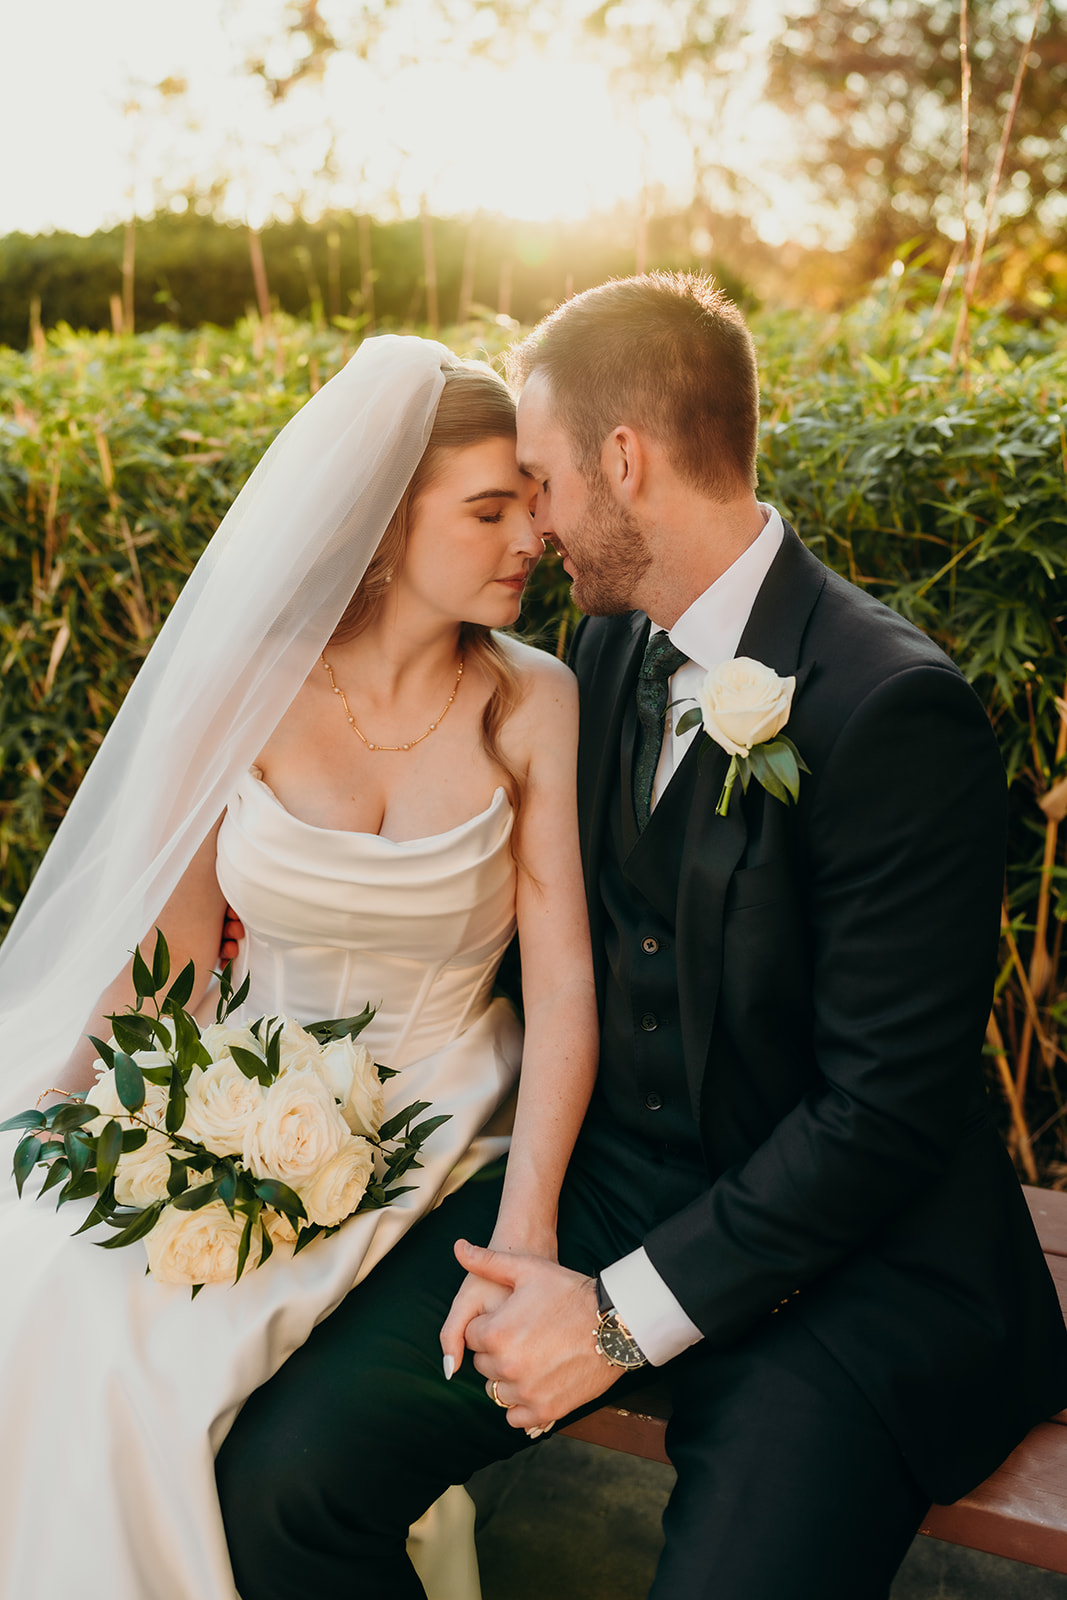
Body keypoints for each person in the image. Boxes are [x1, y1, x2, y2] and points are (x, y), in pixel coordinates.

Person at [217, 274, 1067, 1600]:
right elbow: (550, 936)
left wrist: (611, 1323)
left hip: (852, 1275)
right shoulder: (604, 651)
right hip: (612, 1195)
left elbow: (882, 1118)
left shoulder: (890, 707)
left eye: (544, 480)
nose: (535, 523)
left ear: (623, 461)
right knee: (284, 1483)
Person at [0, 336, 598, 1600]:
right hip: (229, 1090)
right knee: (53, 1292)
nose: (529, 538)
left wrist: (527, 1229)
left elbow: (560, 992)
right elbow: (168, 965)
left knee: (163, 1371)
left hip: (434, 1114)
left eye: (530, 507)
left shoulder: (532, 700)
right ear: (386, 524)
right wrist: (76, 1105)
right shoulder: (248, 688)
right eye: (488, 510)